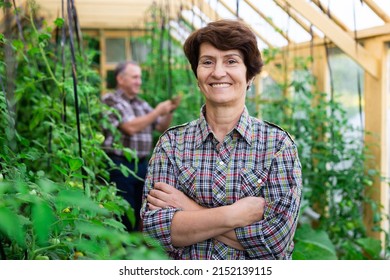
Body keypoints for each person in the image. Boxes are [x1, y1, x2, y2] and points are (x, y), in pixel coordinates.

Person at [140, 19, 302, 260]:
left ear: (249, 76)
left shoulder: (277, 145)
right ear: (197, 74)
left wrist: (188, 209)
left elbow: (274, 241)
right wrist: (234, 215)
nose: (217, 72)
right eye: (207, 62)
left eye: (231, 61)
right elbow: (154, 232)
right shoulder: (171, 144)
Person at [101, 61, 180, 231]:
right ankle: (122, 248)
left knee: (142, 208)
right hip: (120, 164)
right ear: (120, 79)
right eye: (135, 77)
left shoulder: (140, 103)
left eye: (140, 77)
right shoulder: (110, 100)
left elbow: (160, 127)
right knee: (123, 209)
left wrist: (170, 111)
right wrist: (157, 111)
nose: (139, 81)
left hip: (142, 164)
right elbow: (129, 127)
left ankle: (134, 248)